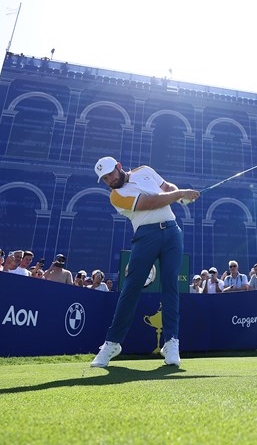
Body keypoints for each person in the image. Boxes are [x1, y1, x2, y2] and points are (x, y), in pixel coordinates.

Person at [90, 156, 199, 368]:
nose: (109, 180)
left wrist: (179, 196)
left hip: (172, 232)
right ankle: (112, 343)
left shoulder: (145, 170)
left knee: (170, 286)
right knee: (131, 288)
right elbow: (151, 202)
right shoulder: (116, 196)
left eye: (110, 174)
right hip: (145, 236)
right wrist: (180, 194)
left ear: (119, 167)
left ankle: (171, 342)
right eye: (104, 179)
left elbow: (166, 186)